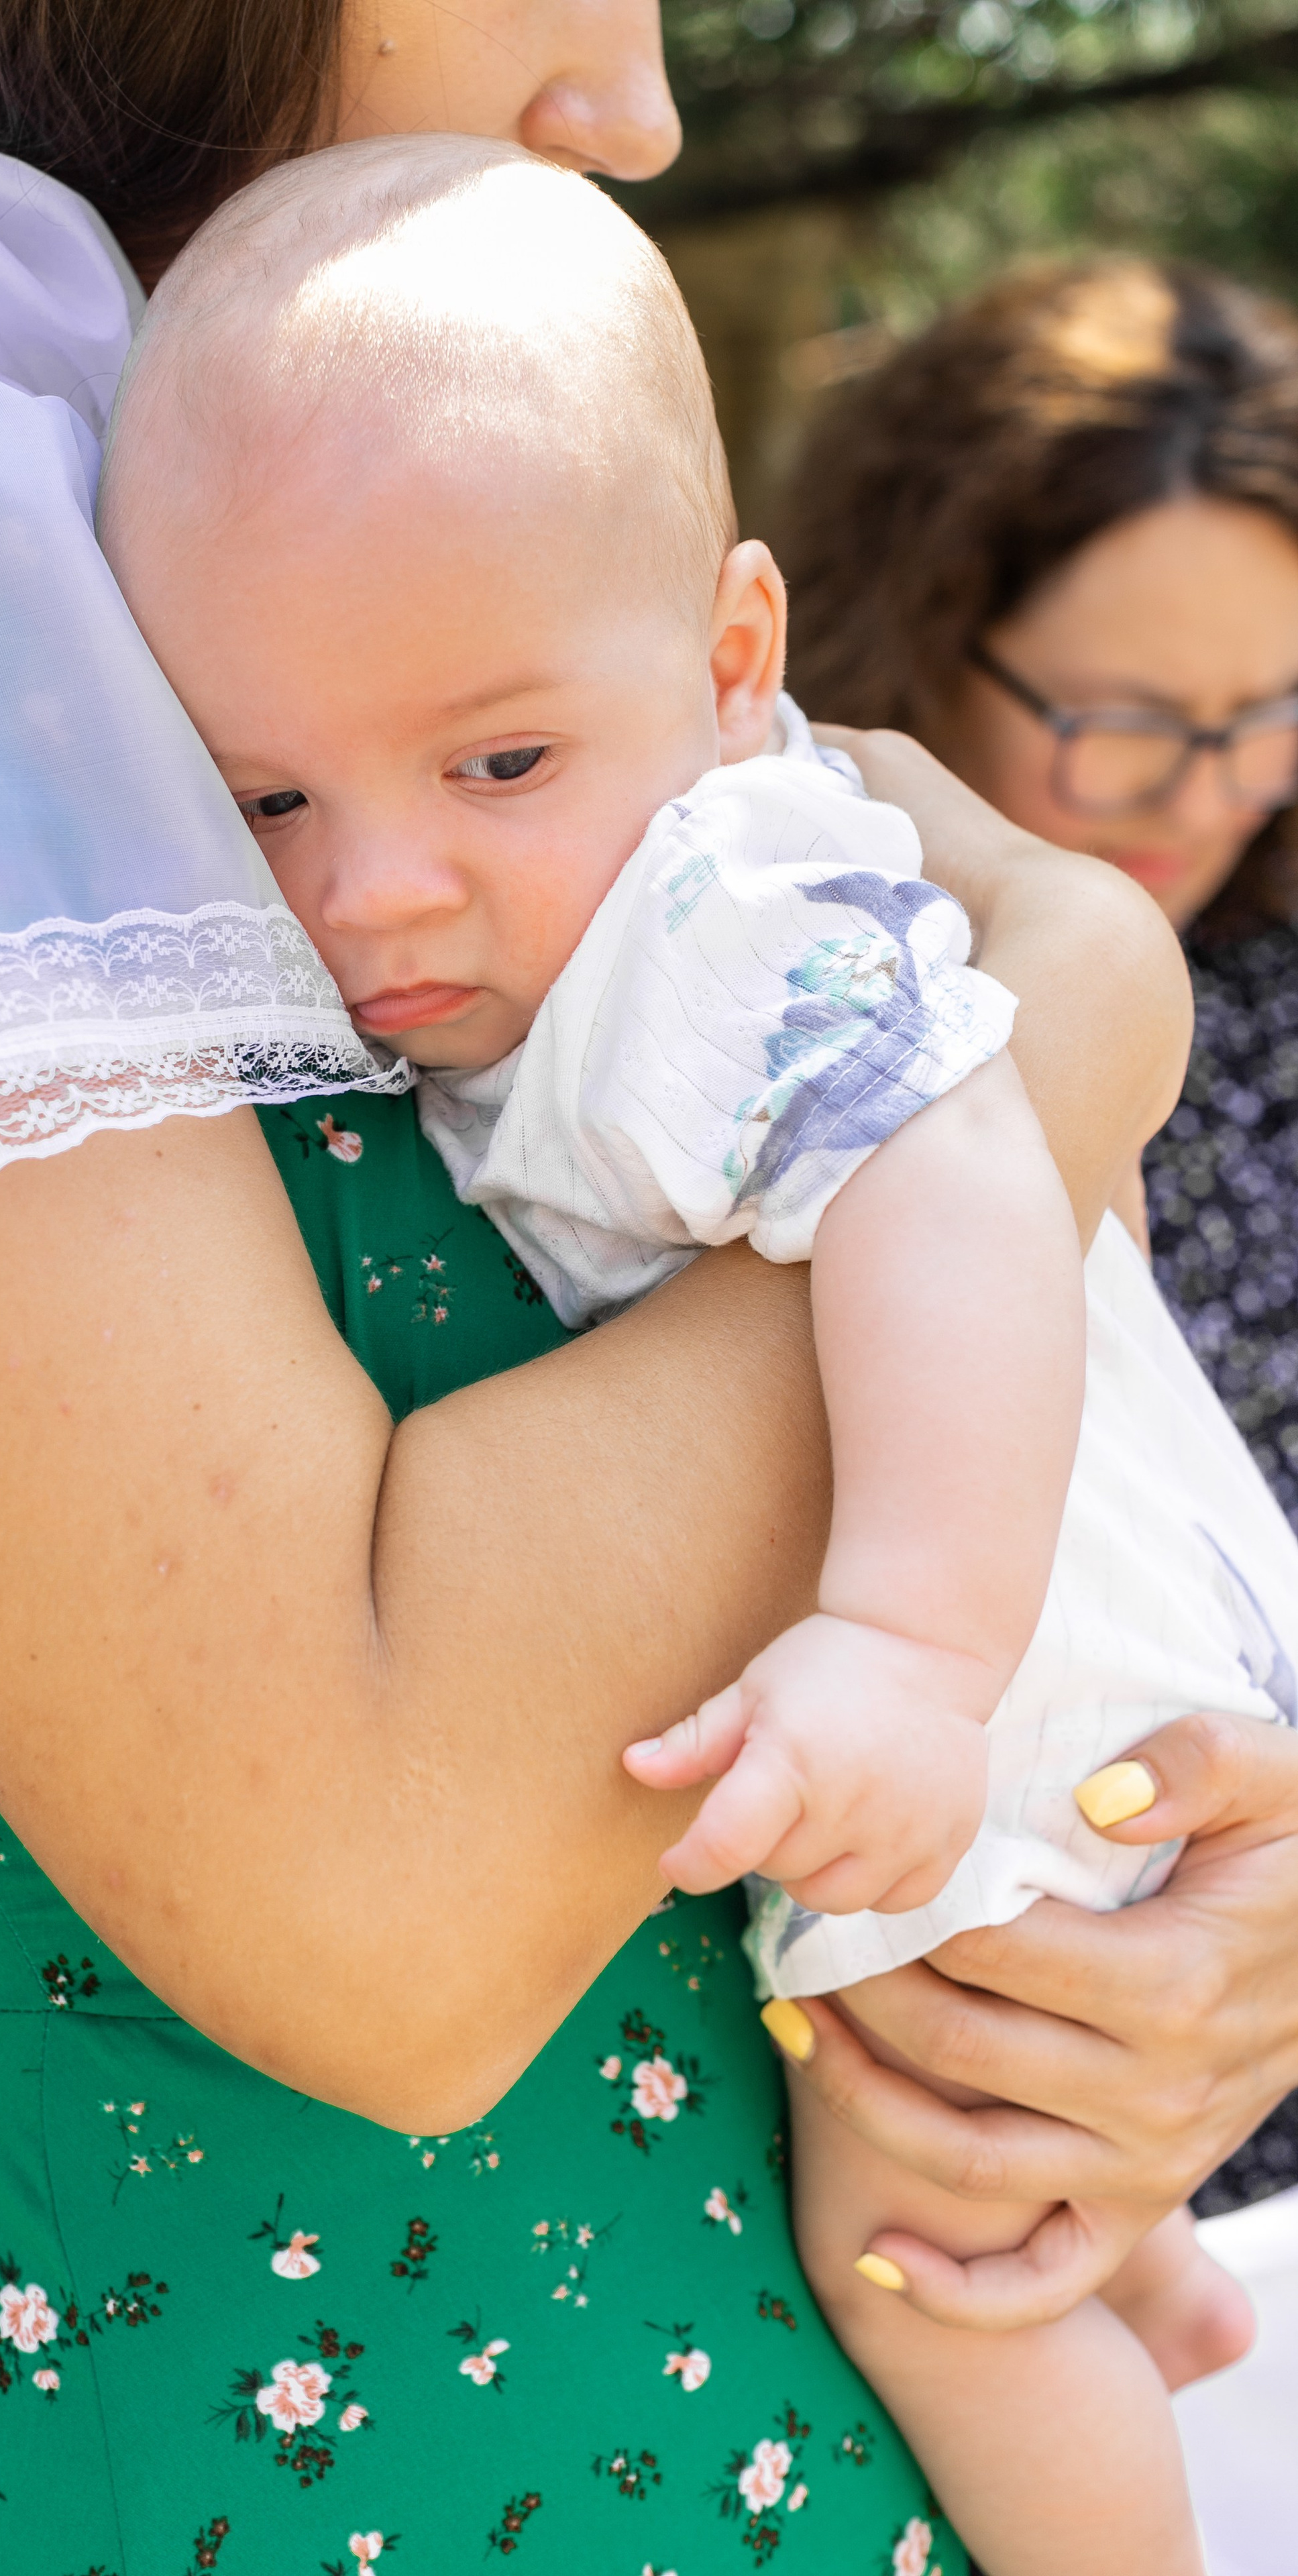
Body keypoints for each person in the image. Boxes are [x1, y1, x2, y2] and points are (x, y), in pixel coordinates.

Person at [0, 7, 1297, 2567]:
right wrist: (1077, 1002)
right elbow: (374, 1899)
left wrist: (1152, 1910)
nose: (641, 103)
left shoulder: (224, 498)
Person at [96, 135, 1298, 2569]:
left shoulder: (718, 916)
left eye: (497, 764)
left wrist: (903, 1642)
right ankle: (1155, 2280)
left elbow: (956, 1157)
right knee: (995, 2136)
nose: (379, 882)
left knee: (931, 2267)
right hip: (1034, 1611)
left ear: (739, 656)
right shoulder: (596, 894)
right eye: (270, 795)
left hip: (1019, 1630)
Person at [778, 250, 1298, 2227]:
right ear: (920, 638)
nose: (1215, 792)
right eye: (1125, 717)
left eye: (1270, 712)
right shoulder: (769, 1007)